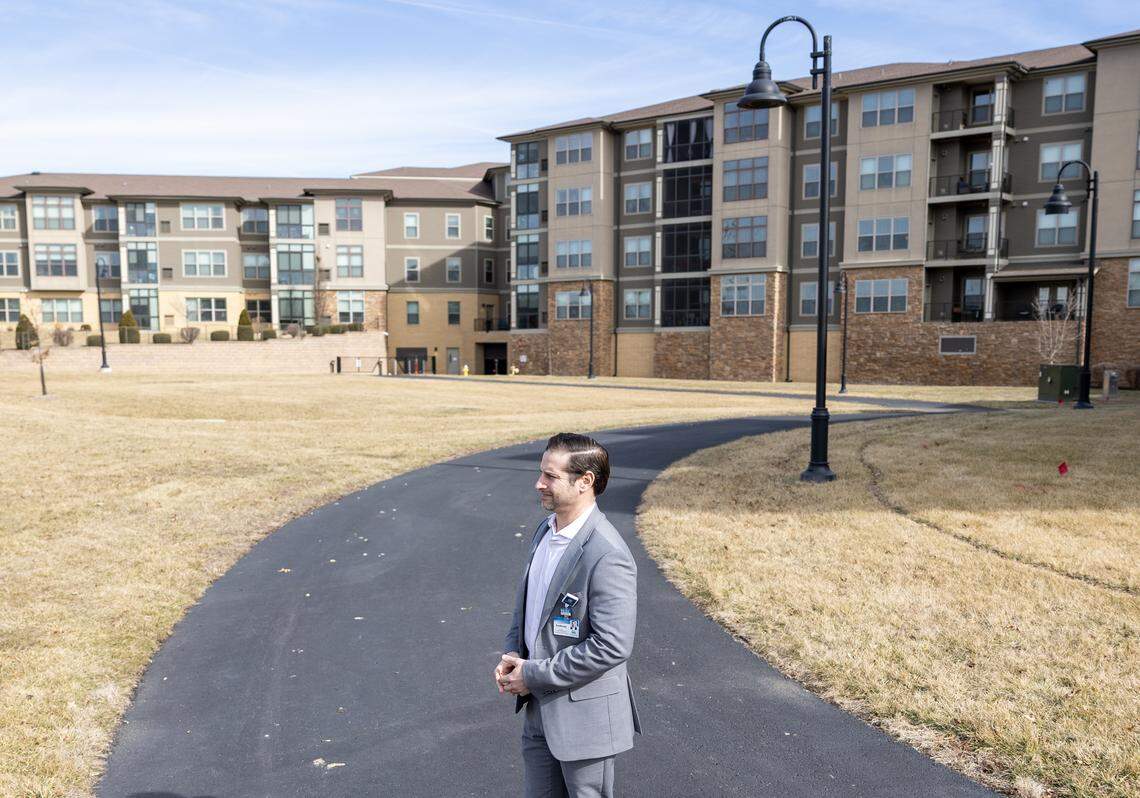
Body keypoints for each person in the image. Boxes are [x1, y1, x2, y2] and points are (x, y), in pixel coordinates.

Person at [495, 432, 641, 797]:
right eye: (541, 473)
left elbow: (611, 646)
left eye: (550, 476)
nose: (538, 483)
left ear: (585, 481)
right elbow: (527, 604)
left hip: (585, 721)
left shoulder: (608, 554)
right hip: (538, 711)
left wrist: (533, 674)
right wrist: (514, 654)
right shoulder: (544, 532)